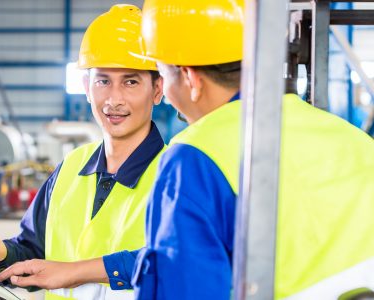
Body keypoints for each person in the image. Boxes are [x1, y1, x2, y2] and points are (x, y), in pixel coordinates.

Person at [130, 0, 374, 299]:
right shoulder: (353, 139)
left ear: (190, 77)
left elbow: (184, 288)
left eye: (164, 76)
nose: (165, 94)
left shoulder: (192, 159)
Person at [0, 4, 166, 299]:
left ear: (158, 89)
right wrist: (2, 253)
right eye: (103, 81)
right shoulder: (70, 167)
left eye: (131, 81)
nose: (114, 99)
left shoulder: (174, 174)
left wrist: (76, 271)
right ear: (86, 86)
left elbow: (177, 265)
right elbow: (35, 252)